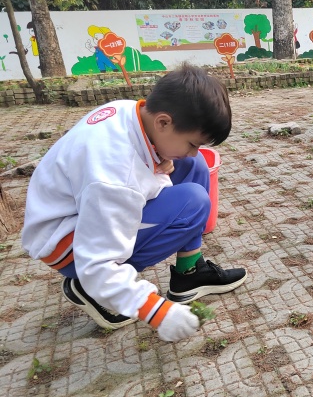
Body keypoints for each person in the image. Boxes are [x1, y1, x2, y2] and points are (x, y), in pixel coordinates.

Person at [21, 64, 247, 342]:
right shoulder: (115, 177)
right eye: (192, 143)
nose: (192, 151)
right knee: (194, 203)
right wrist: (155, 310)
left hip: (76, 210)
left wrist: (158, 157)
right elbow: (96, 263)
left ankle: (189, 273)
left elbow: (146, 163)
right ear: (163, 123)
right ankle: (91, 289)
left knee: (195, 165)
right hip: (69, 246)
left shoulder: (131, 111)